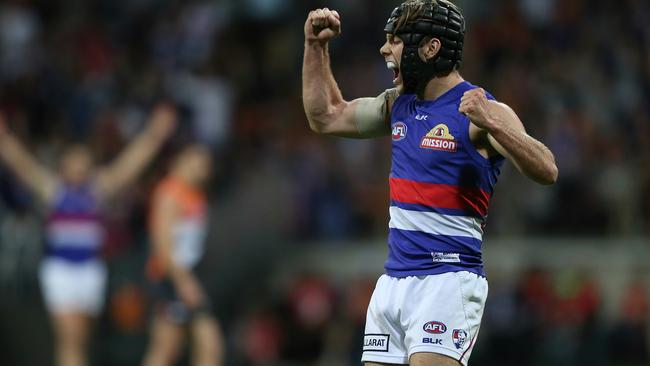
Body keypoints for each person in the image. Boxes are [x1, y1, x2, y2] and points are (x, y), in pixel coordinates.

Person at [302, 1, 558, 365]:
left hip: (448, 280)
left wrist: (495, 123)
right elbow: (325, 116)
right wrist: (315, 46)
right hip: (393, 283)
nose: (384, 49)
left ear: (430, 48)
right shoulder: (398, 105)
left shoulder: (482, 110)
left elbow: (547, 169)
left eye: (394, 40)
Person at [0, 105, 177, 366]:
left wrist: (154, 135)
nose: (80, 165)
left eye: (85, 160)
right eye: (75, 159)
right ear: (64, 165)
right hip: (61, 270)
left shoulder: (96, 192)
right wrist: (4, 139)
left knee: (82, 338)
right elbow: (23, 165)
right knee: (69, 338)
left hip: (90, 270)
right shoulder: (55, 192)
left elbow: (129, 164)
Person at [142, 144, 224, 366]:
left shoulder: (196, 195)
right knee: (166, 349)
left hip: (190, 275)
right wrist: (183, 282)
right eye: (197, 161)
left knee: (207, 345)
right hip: (171, 279)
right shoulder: (169, 193)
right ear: (179, 161)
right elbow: (163, 246)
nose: (203, 168)